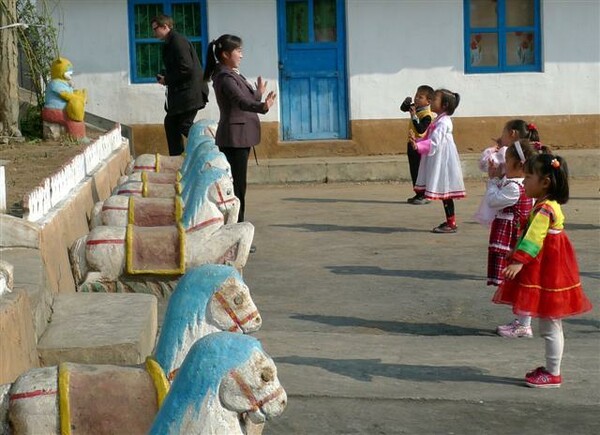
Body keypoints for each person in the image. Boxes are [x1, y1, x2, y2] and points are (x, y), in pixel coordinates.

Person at [492, 153, 592, 388]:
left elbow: (534, 238)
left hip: (548, 272)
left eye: (528, 177)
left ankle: (553, 372)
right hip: (549, 269)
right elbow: (530, 234)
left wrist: (519, 260)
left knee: (550, 324)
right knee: (550, 323)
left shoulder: (545, 208)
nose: (524, 182)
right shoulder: (546, 205)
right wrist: (515, 251)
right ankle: (550, 368)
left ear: (545, 182)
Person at [203, 34, 276, 223]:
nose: (241, 55)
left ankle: (236, 226)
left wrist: (259, 93)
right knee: (236, 187)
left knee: (238, 185)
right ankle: (236, 229)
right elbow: (240, 102)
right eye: (239, 51)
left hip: (240, 137)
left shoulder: (233, 74)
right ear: (226, 54)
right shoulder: (224, 77)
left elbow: (248, 98)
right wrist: (262, 107)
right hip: (234, 138)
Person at [482, 141, 535, 337]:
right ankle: (522, 321)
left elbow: (493, 200)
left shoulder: (514, 187)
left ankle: (524, 324)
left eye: (507, 162)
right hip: (516, 236)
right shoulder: (522, 184)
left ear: (518, 165)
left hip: (513, 239)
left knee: (520, 281)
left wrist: (492, 182)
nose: (504, 166)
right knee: (519, 281)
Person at [152, 14, 209, 156]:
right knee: (171, 124)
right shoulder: (171, 42)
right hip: (184, 93)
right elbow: (179, 67)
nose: (154, 32)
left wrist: (167, 79)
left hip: (189, 93)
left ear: (165, 27)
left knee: (184, 125)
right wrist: (165, 74)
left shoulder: (177, 41)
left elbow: (186, 68)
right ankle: (176, 158)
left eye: (155, 28)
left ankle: (209, 148)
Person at [410, 89, 465, 233]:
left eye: (434, 99)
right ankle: (450, 221)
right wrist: (418, 142)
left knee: (445, 191)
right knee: (444, 193)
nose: (432, 102)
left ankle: (451, 223)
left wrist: (419, 145)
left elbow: (434, 142)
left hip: (444, 160)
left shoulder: (444, 122)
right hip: (440, 158)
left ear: (444, 105)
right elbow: (429, 138)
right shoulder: (439, 119)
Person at [400, 85, 435, 204]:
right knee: (413, 170)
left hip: (420, 145)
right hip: (411, 143)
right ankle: (418, 193)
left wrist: (414, 116)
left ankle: (424, 194)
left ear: (428, 101)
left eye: (420, 97)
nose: (416, 99)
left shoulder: (427, 115)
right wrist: (406, 103)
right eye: (416, 96)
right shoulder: (416, 108)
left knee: (420, 170)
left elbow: (420, 129)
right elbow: (403, 108)